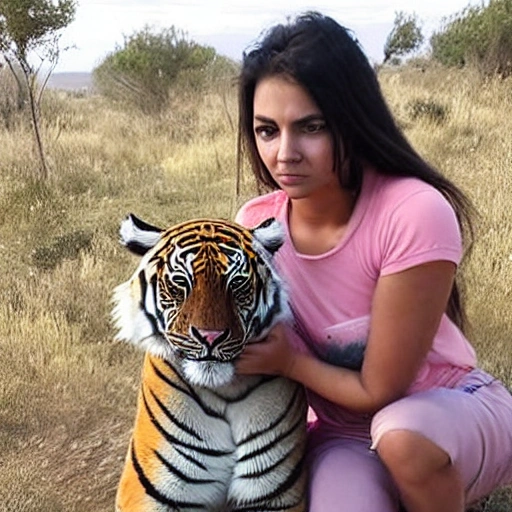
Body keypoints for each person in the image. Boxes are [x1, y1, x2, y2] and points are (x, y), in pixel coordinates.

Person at [234, 11, 512, 512]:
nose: (284, 153)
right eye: (266, 130)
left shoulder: (412, 211)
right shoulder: (258, 227)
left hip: (449, 416)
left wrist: (291, 362)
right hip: (345, 436)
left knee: (400, 435)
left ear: (351, 119)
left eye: (310, 127)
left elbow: (381, 389)